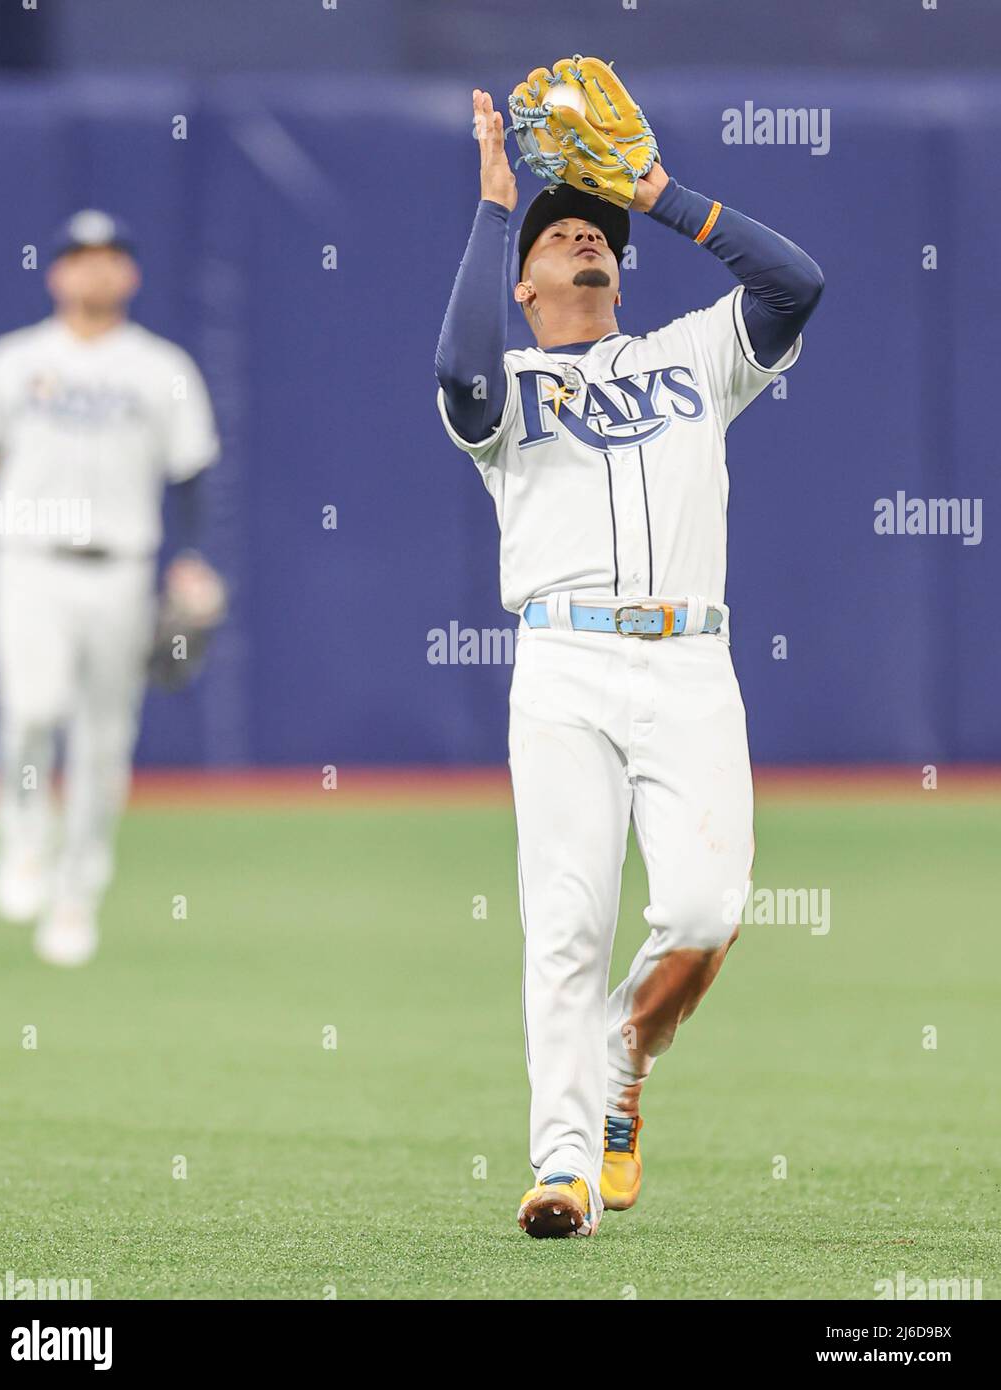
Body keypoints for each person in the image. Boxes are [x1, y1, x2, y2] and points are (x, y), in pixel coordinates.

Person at [435, 91, 824, 1237]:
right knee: (562, 925)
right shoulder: (507, 384)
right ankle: (559, 1164)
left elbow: (792, 284)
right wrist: (492, 206)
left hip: (689, 663)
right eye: (554, 235)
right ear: (524, 283)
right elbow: (456, 374)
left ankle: (622, 1052)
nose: (580, 236)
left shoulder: (691, 357)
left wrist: (659, 195)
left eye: (595, 228)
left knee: (703, 910)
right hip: (560, 665)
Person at [0, 209, 220, 966]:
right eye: (81, 257)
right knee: (32, 709)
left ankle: (77, 895)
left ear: (129, 274)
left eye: (109, 257)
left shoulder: (161, 367)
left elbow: (192, 470)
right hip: (26, 558)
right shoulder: (14, 360)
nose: (95, 269)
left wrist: (195, 558)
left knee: (104, 744)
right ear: (58, 273)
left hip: (121, 567)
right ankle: (21, 834)